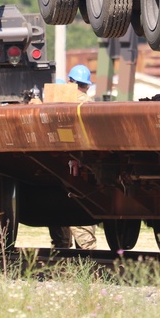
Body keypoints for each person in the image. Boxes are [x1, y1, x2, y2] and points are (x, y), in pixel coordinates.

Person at [64, 63, 98, 249]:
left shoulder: (58, 100)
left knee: (75, 199)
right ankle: (86, 247)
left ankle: (83, 247)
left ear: (70, 81)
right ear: (86, 85)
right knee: (83, 198)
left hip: (66, 156)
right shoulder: (89, 104)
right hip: (84, 158)